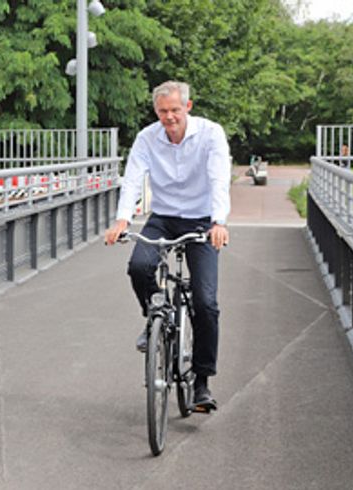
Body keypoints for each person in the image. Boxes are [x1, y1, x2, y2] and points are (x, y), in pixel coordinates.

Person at [104, 81, 230, 412]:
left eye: (175, 110)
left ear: (187, 107)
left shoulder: (210, 134)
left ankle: (202, 382)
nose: (169, 117)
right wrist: (121, 220)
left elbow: (219, 177)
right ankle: (154, 317)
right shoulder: (147, 138)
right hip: (163, 216)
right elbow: (132, 179)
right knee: (139, 266)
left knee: (206, 303)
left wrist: (219, 221)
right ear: (156, 111)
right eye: (163, 111)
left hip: (202, 219)